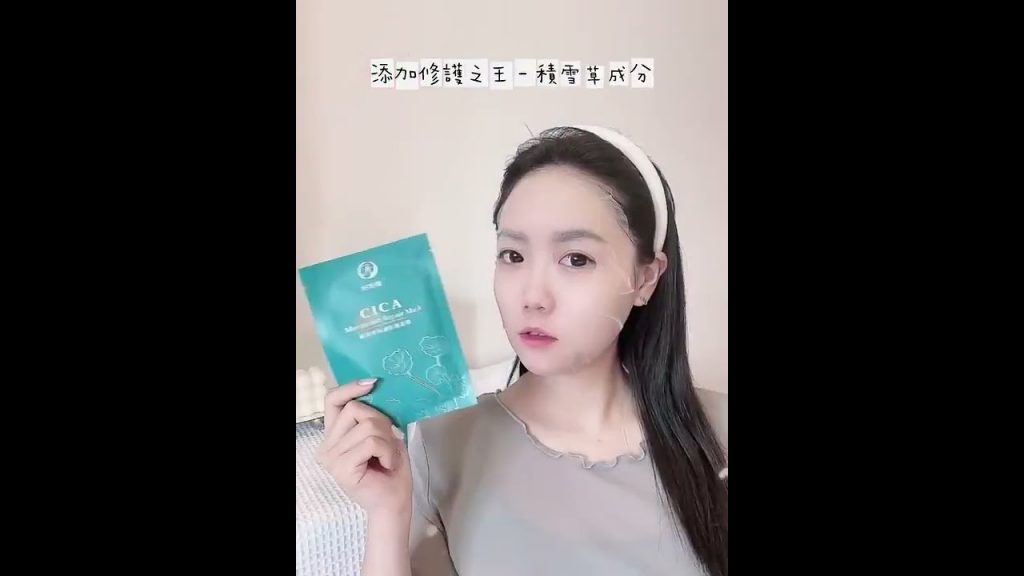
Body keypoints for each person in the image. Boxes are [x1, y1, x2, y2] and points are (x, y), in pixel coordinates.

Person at [317, 126, 728, 576]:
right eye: (512, 255)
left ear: (645, 279)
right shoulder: (445, 440)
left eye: (576, 259)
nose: (533, 297)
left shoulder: (719, 432)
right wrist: (386, 514)